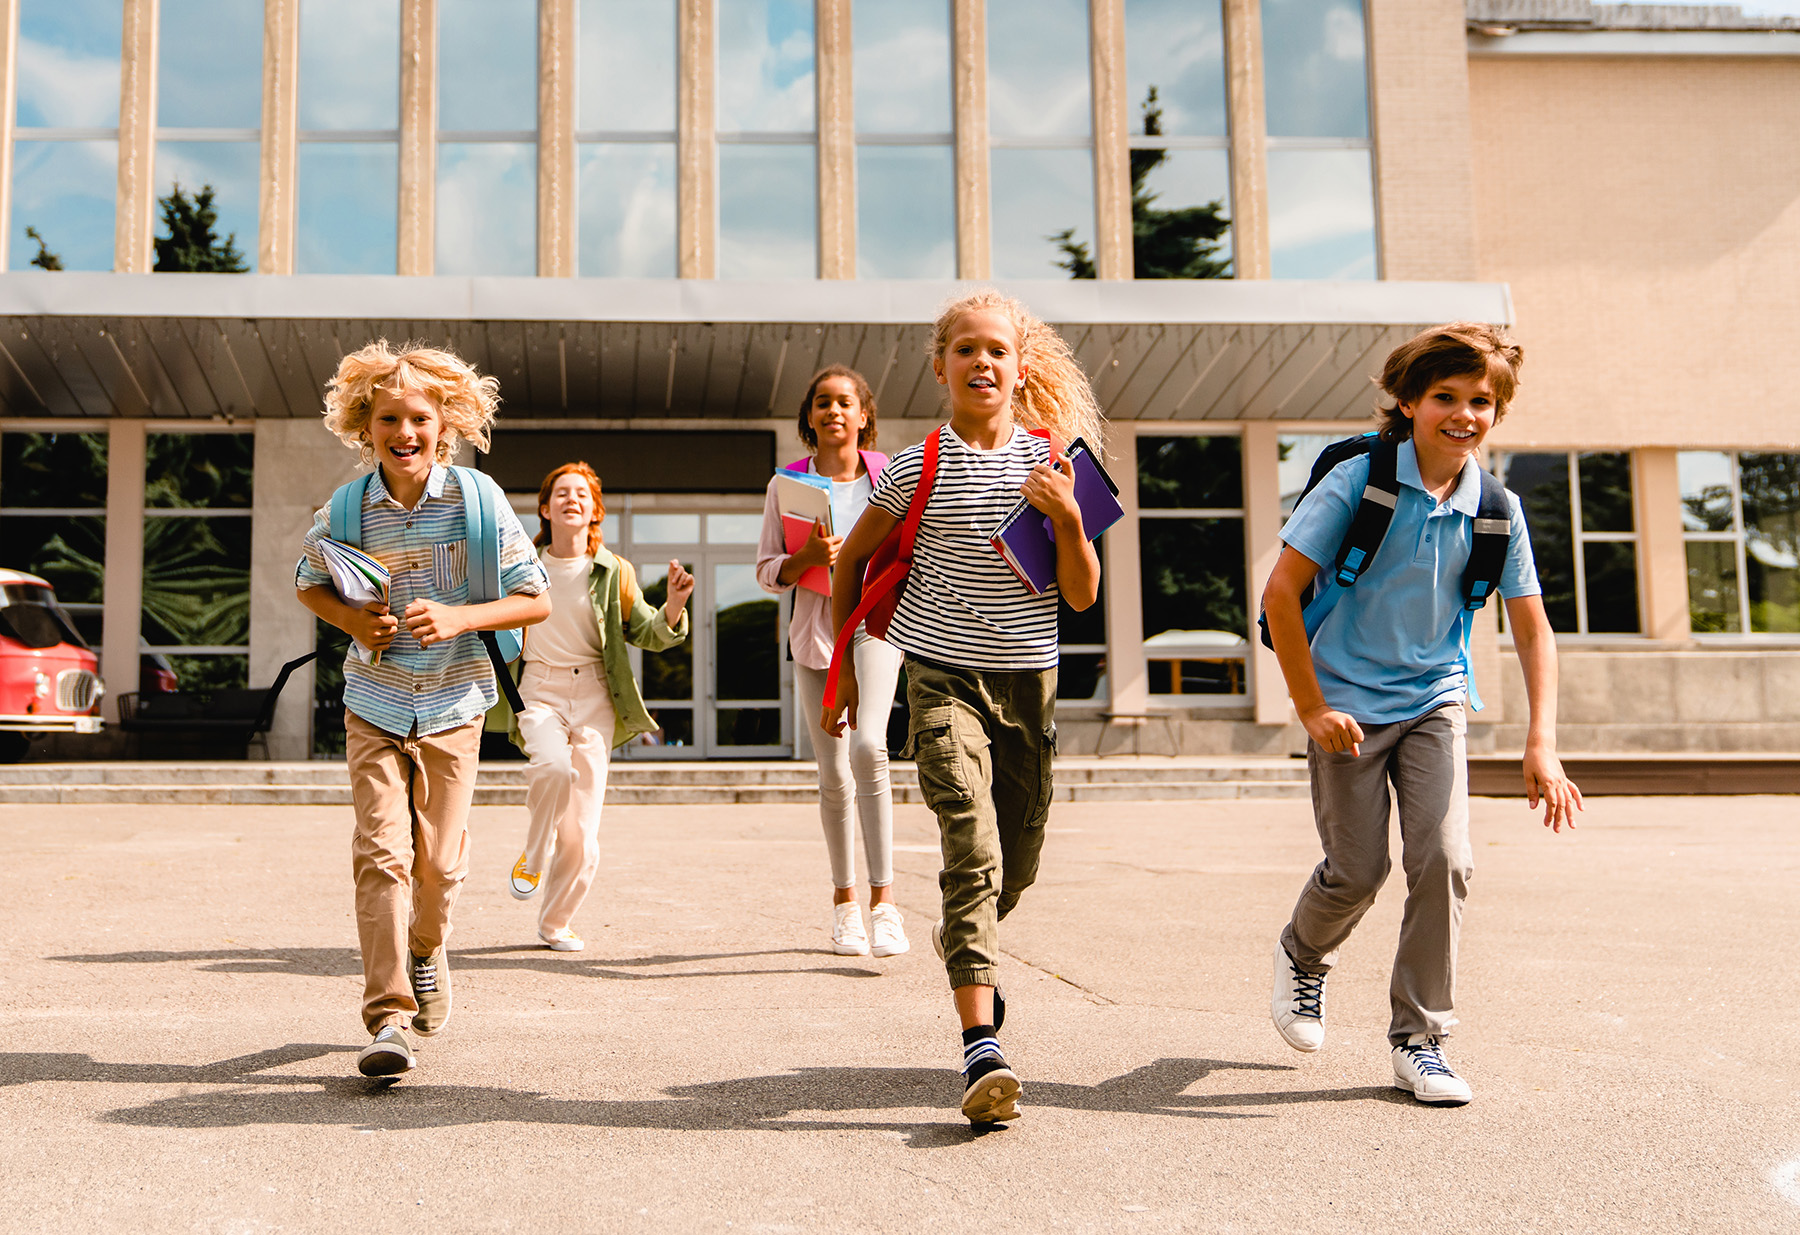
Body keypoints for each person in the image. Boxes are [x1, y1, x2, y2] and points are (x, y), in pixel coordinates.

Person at [1260, 322, 1582, 1106]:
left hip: (1435, 698)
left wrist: (1542, 742)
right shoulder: (1359, 484)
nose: (1464, 414)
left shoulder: (1496, 508)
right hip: (1345, 704)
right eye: (1446, 396)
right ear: (1408, 402)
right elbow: (1280, 594)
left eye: (1481, 401)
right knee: (1358, 870)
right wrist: (1311, 705)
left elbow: (1533, 628)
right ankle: (1303, 954)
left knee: (1445, 859)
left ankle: (1420, 1039)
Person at [824, 289, 1106, 1125]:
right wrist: (847, 670)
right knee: (971, 846)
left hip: (1029, 684)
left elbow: (1082, 595)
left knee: (1015, 864)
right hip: (941, 678)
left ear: (1022, 368)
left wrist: (1069, 520)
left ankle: (962, 934)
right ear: (940, 366)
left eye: (998, 350)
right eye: (966, 349)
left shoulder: (1058, 462)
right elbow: (850, 563)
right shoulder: (916, 466)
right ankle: (981, 1044)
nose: (983, 361)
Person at [296, 340, 550, 1078]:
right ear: (364, 425)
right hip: (374, 700)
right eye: (388, 419)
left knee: (438, 863)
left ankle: (427, 945)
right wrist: (352, 621)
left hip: (453, 699)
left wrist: (461, 617)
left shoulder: (478, 499)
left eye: (418, 419)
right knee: (381, 854)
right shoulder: (347, 508)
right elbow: (308, 580)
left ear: (445, 424)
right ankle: (388, 1018)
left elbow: (535, 598)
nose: (404, 432)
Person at [503, 462, 694, 951]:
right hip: (540, 687)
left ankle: (555, 923)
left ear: (594, 512)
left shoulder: (614, 571)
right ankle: (534, 852)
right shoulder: (523, 566)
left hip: (594, 694)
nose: (572, 499)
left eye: (582, 494)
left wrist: (674, 604)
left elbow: (647, 632)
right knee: (552, 767)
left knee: (583, 832)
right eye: (562, 493)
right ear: (545, 509)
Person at [756, 365, 908, 959]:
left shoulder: (891, 474)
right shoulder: (785, 485)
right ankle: (846, 906)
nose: (834, 411)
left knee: (870, 748)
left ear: (863, 415)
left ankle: (885, 904)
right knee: (834, 775)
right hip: (814, 637)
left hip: (879, 625)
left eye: (845, 402)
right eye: (823, 402)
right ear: (810, 417)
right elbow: (768, 571)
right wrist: (807, 559)